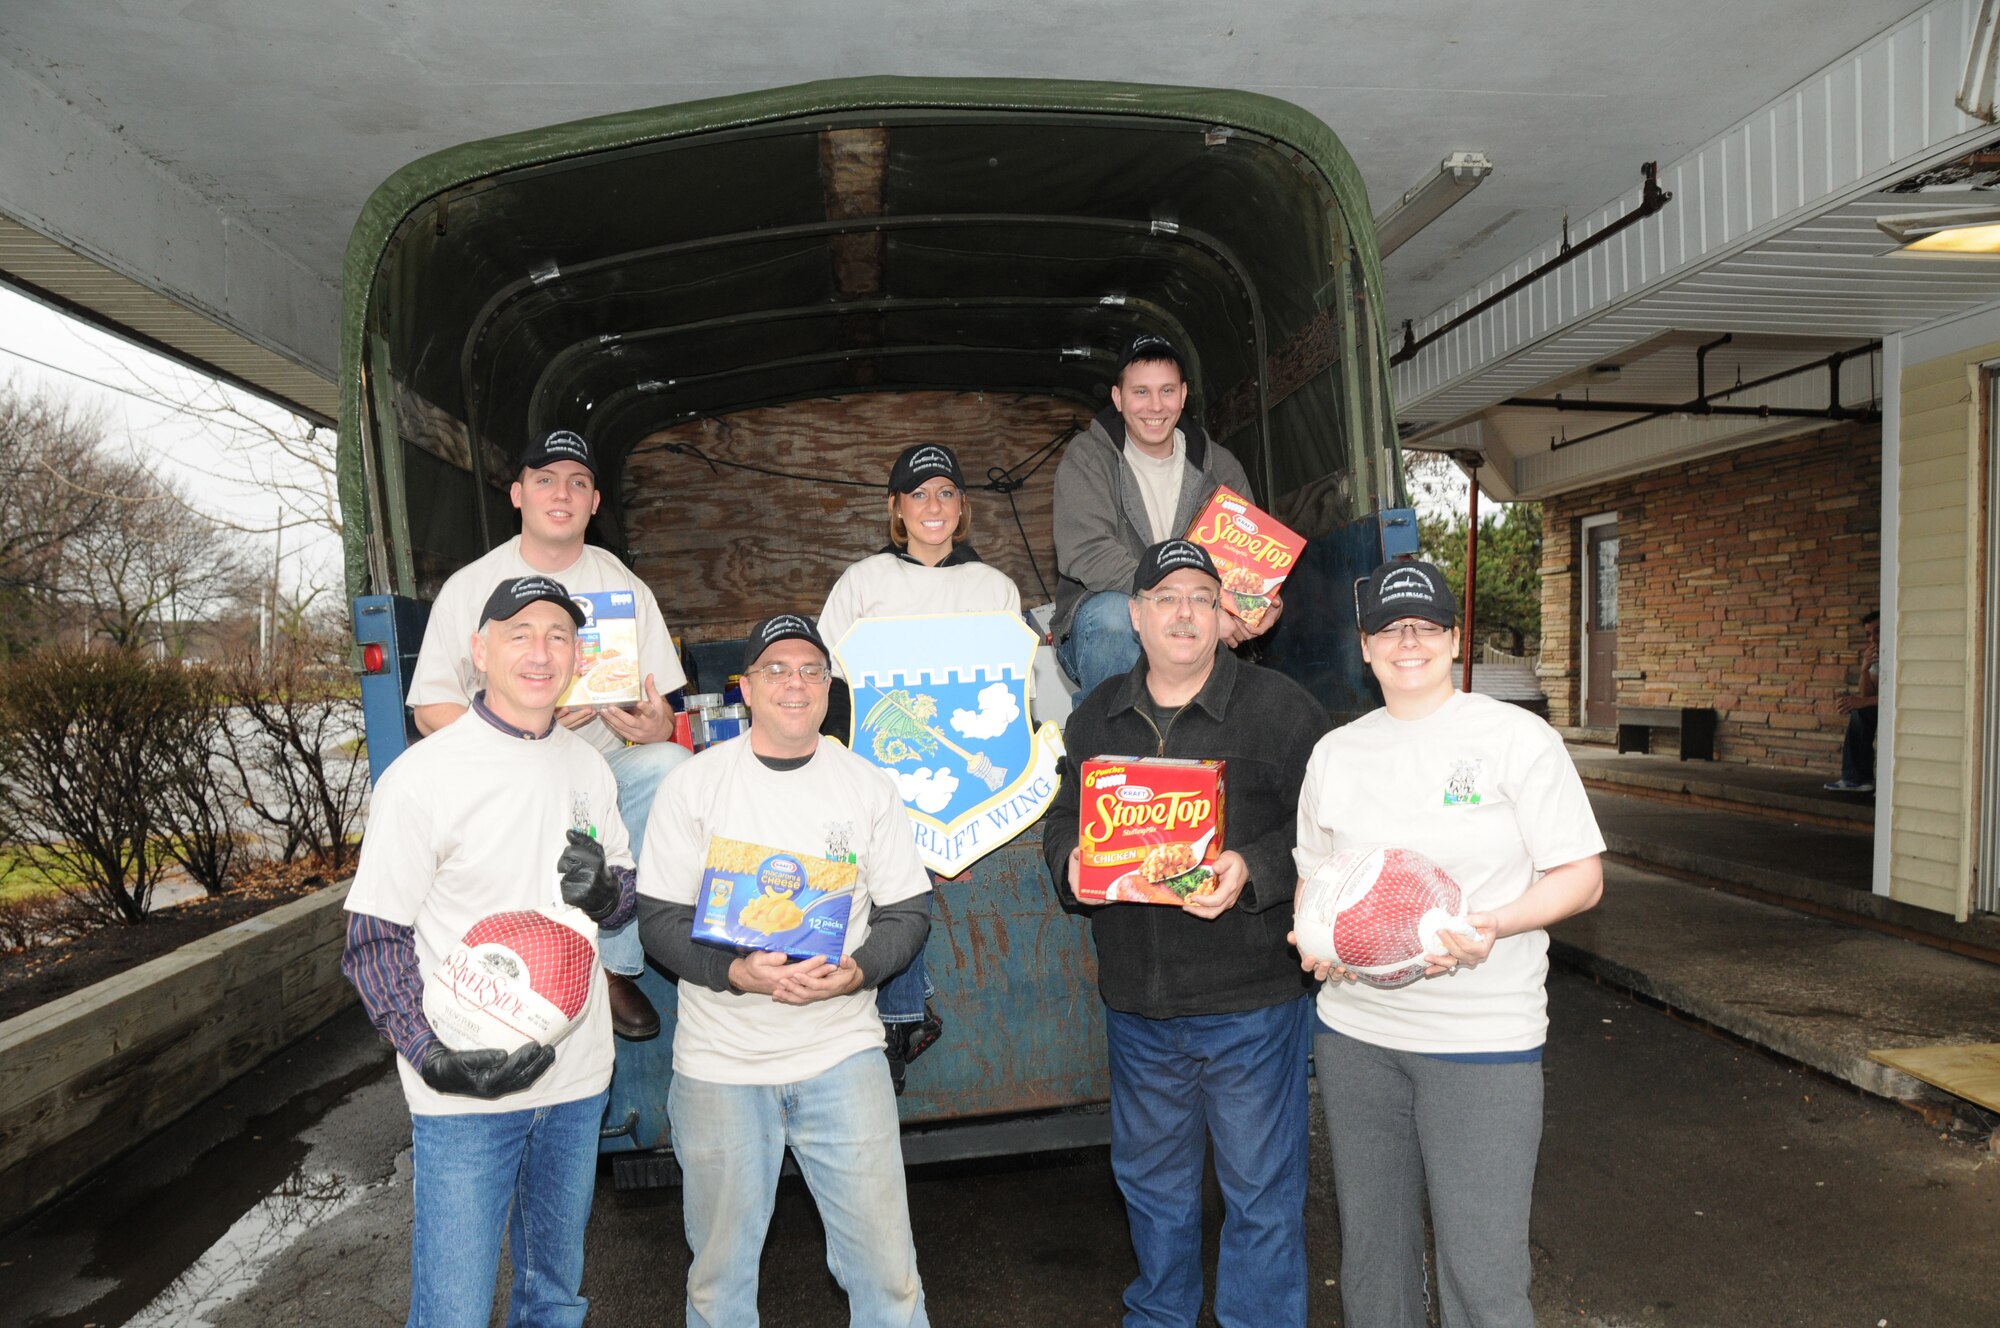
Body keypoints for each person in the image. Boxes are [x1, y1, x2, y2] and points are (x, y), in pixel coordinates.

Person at [1293, 559, 1605, 1328]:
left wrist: (1495, 924)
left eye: (1427, 624)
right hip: (1358, 1036)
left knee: (1484, 1270)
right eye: (1389, 628)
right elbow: (1314, 880)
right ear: (1364, 646)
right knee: (1372, 1260)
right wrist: (1314, 941)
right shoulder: (1336, 752)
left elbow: (1582, 877)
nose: (1409, 642)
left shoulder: (1515, 740)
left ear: (1455, 638)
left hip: (1482, 1042)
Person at [1043, 539, 1330, 1328]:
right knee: (1153, 1189)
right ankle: (1161, 1318)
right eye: (1165, 596)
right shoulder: (1095, 715)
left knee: (1262, 1195)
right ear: (1135, 616)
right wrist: (1071, 862)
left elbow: (1331, 833)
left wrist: (1252, 867)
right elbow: (1064, 821)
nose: (1183, 611)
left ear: (1222, 615)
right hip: (1139, 1006)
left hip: (1252, 1006)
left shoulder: (1282, 710)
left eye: (1201, 597)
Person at [343, 575, 637, 1327]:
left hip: (573, 1083)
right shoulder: (423, 779)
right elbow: (373, 939)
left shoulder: (588, 767)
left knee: (554, 1300)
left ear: (577, 655)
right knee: (453, 1313)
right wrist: (429, 1052)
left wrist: (607, 896)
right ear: (479, 651)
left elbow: (625, 894)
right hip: (466, 1094)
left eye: (558, 636)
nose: (540, 652)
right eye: (519, 634)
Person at [637, 614, 932, 1328]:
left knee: (890, 1281)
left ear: (829, 686)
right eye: (776, 669)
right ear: (745, 688)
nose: (795, 683)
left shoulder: (867, 785)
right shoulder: (694, 786)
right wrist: (735, 972)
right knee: (719, 1286)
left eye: (810, 669)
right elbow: (658, 921)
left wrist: (858, 971)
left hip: (841, 1055)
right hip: (720, 1066)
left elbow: (909, 912)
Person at [406, 428, 688, 1040]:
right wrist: (511, 737)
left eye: (578, 482)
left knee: (670, 767)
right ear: (517, 494)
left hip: (603, 782)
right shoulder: (470, 587)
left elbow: (665, 711)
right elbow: (430, 706)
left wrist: (654, 724)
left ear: (593, 504)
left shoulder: (625, 587)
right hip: (503, 786)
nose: (561, 493)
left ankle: (611, 967)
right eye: (545, 479)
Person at [818, 441, 1022, 1092]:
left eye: (945, 493)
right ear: (896, 509)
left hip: (962, 774)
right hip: (887, 764)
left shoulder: (993, 587)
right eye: (918, 495)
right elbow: (832, 687)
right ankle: (904, 1014)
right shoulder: (862, 584)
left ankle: (901, 1017)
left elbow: (1015, 695)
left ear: (962, 507)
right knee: (882, 833)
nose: (932, 506)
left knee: (899, 843)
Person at [1051, 334, 1284, 699]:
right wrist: (1180, 606)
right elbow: (1086, 551)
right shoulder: (1087, 457)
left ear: (1184, 394)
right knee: (1115, 616)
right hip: (1104, 624)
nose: (1155, 406)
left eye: (1167, 391)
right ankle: (1109, 743)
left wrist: (1258, 604)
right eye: (1140, 392)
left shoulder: (1221, 465)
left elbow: (1248, 562)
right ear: (1118, 397)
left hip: (1197, 622)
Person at [1825, 609, 1881, 793]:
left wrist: (1862, 702)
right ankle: (1859, 780)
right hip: (1883, 709)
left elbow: (1899, 696)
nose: (1873, 639)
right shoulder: (1878, 657)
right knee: (1860, 712)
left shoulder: (1901, 654)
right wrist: (1864, 669)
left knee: (1861, 709)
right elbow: (1867, 694)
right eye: (1868, 635)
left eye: (1878, 631)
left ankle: (1856, 777)